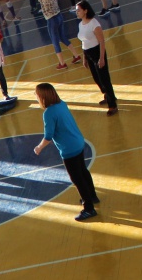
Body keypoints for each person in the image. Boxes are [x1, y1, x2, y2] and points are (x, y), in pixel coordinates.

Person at [34, 83, 100, 221]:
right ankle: (92, 196)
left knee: (77, 179)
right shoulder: (61, 104)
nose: (35, 96)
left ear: (42, 97)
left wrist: (39, 147)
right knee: (83, 171)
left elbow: (48, 136)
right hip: (78, 142)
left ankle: (89, 208)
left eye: (36, 94)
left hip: (69, 149)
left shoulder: (48, 113)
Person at [76, 0, 118, 115]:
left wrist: (102, 58)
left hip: (97, 53)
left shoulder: (94, 24)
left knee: (104, 79)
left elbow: (102, 41)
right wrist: (84, 57)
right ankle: (108, 95)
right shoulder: (80, 24)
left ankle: (112, 105)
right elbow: (83, 42)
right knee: (97, 78)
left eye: (78, 10)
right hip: (88, 54)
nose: (76, 12)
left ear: (85, 11)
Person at [27, 0, 82, 70]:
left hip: (51, 20)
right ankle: (76, 56)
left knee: (55, 42)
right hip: (59, 16)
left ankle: (62, 63)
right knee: (63, 37)